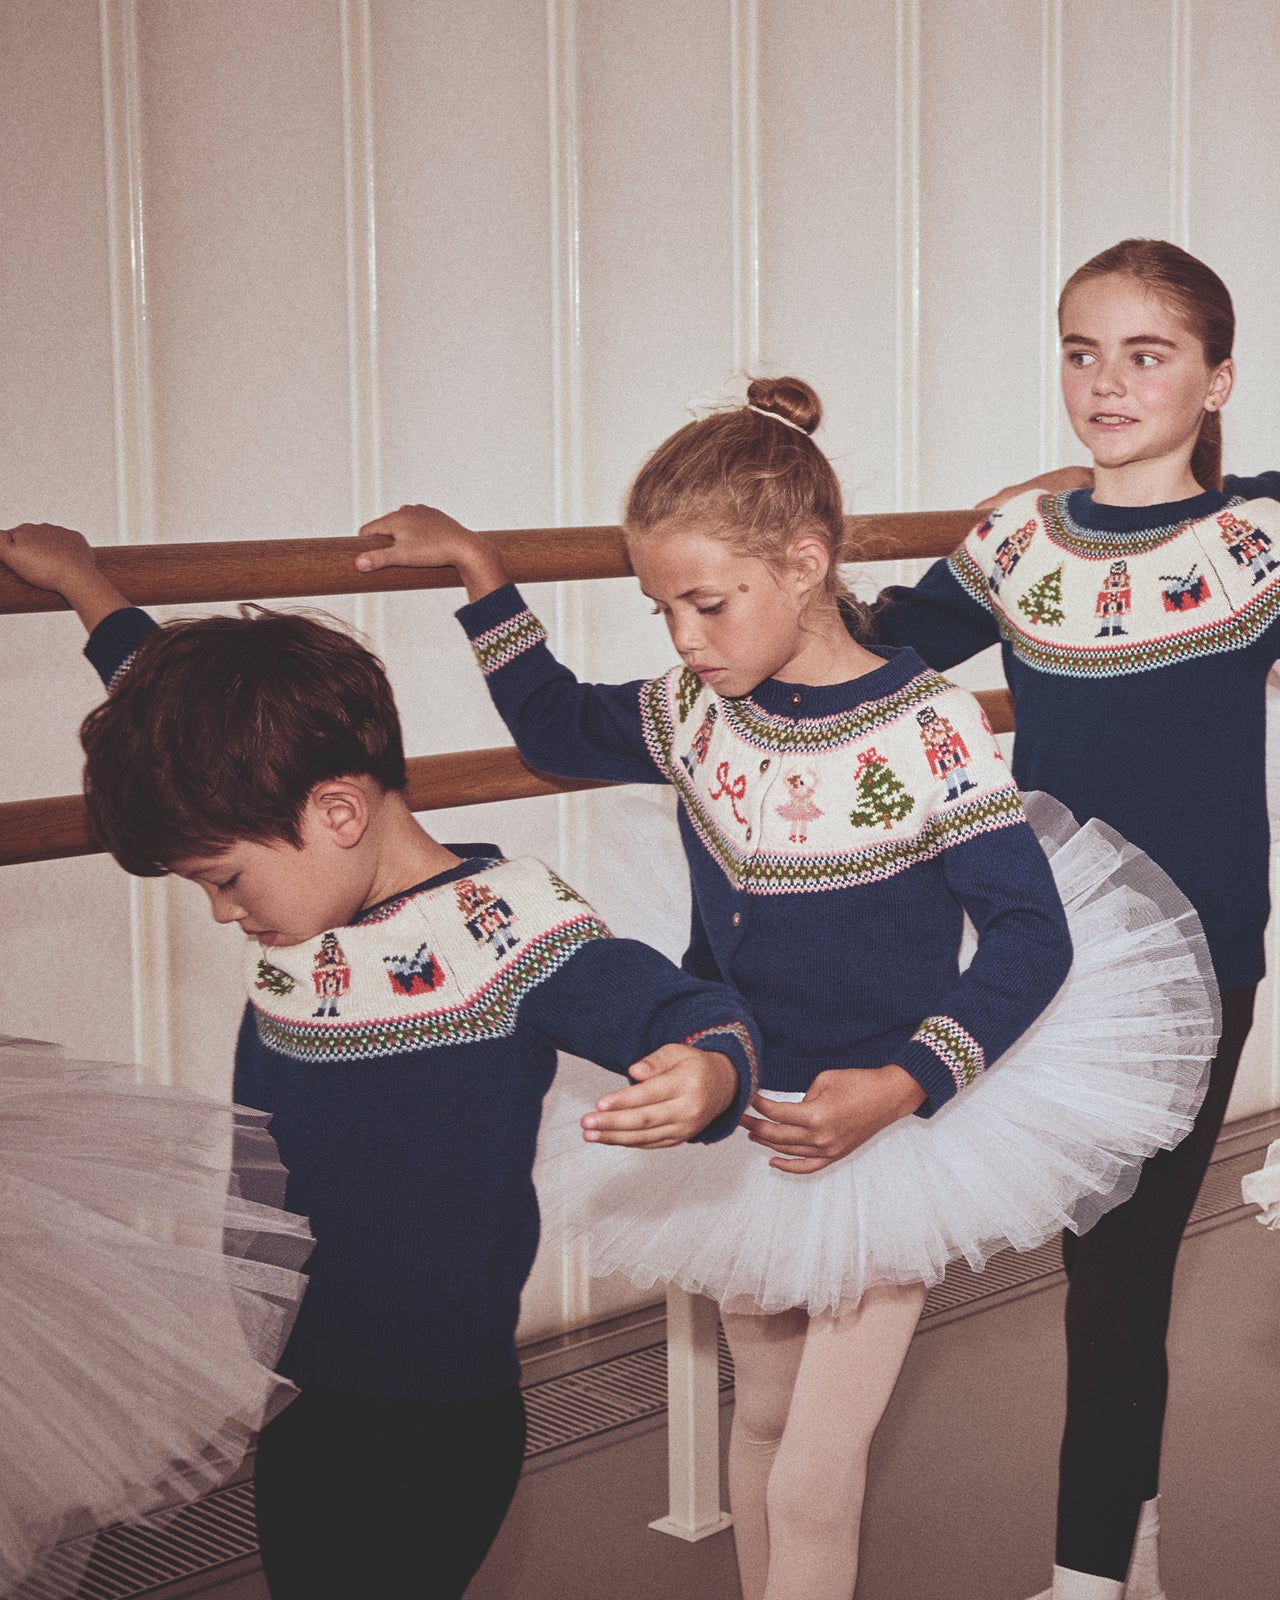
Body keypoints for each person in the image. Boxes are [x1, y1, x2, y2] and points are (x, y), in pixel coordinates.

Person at [351, 375, 1217, 1600]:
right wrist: (479, 575)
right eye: (663, 611)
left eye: (706, 603)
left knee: (816, 1469)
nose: (686, 638)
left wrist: (904, 1084)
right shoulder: (692, 710)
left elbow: (1029, 935)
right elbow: (550, 726)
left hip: (877, 1136)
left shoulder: (923, 728)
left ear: (805, 564)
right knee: (756, 1419)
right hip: (742, 1113)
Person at [0, 524, 763, 1600]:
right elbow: (163, 695)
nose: (225, 916)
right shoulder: (286, 838)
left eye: (223, 880)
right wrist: (84, 582)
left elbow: (679, 1005)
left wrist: (709, 1070)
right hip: (298, 1378)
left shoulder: (502, 928)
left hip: (433, 1417)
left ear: (339, 811)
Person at [873, 238, 1280, 1600]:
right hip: (1044, 958)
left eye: (1148, 354)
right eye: (1081, 349)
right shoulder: (1011, 542)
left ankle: (1092, 1574)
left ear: (1219, 379)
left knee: (1117, 1277)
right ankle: (1127, 1544)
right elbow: (871, 655)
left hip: (1202, 958)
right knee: (1095, 1266)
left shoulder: (1259, 540)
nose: (1106, 382)